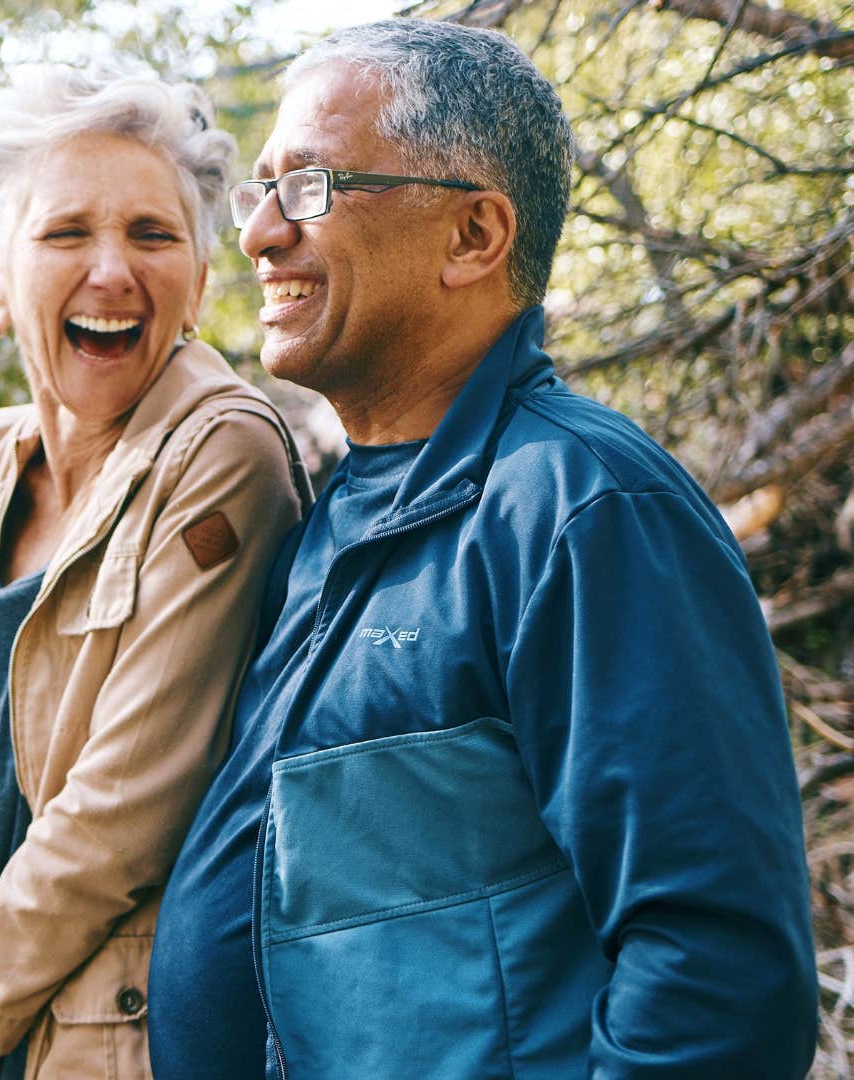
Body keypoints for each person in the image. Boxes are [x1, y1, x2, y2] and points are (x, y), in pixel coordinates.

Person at [149, 18, 818, 1078]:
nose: (260, 235)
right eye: (259, 190)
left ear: (474, 238)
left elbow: (719, 976)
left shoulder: (583, 509)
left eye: (312, 188)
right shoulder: (337, 514)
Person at [0, 62, 306, 1080]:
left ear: (201, 281)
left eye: (153, 236)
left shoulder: (225, 456)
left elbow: (124, 809)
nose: (112, 272)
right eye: (67, 233)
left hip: (120, 1046)